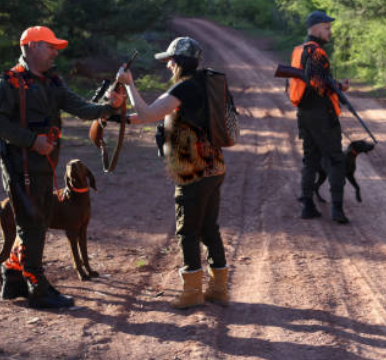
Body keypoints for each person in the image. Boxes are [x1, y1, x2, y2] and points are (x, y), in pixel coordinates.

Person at [0, 26, 123, 309]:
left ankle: (13, 276)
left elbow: (81, 108)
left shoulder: (53, 81)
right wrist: (32, 141)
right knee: (32, 226)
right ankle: (38, 289)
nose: (56, 53)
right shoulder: (9, 83)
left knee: (38, 222)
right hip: (21, 170)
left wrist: (110, 106)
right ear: (31, 46)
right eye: (50, 47)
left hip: (45, 168)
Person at [116, 36, 229, 309]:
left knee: (188, 231)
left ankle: (192, 293)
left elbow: (147, 114)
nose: (168, 66)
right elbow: (154, 115)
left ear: (179, 62)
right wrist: (115, 118)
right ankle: (218, 289)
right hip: (214, 168)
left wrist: (129, 84)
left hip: (193, 172)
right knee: (209, 229)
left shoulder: (185, 87)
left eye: (170, 61)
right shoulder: (204, 84)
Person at [289, 10, 350, 223]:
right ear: (315, 28)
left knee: (310, 159)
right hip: (322, 114)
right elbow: (318, 84)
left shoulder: (299, 50)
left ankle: (307, 205)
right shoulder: (317, 53)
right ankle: (337, 210)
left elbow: (312, 80)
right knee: (335, 160)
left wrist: (337, 85)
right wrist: (337, 88)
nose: (330, 32)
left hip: (304, 113)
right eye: (327, 28)